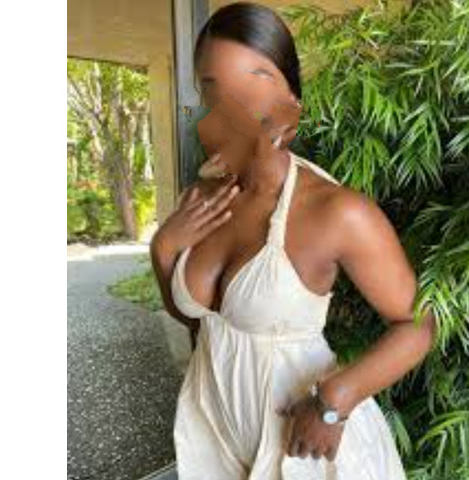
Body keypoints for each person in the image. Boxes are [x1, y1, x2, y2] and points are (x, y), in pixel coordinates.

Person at [150, 3, 435, 479]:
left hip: (307, 452)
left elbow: (418, 324)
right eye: (213, 88)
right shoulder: (201, 198)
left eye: (254, 81)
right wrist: (163, 248)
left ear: (292, 96)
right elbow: (197, 321)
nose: (233, 107)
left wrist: (336, 399)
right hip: (217, 442)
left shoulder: (336, 211)